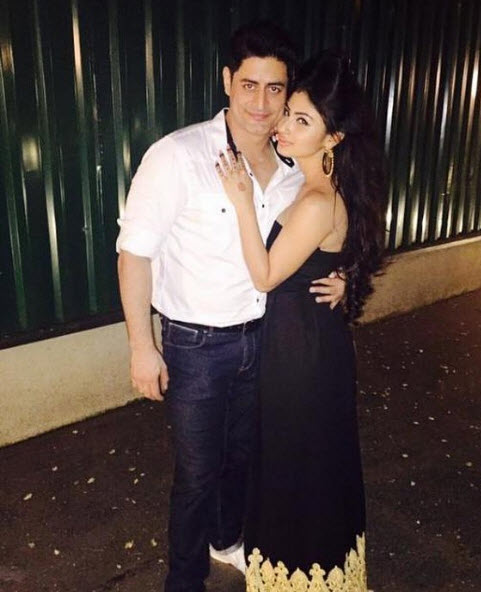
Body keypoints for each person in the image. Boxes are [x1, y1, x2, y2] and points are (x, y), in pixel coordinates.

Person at [116, 22, 345, 592]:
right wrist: (142, 346)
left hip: (265, 340)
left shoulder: (293, 164)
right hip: (197, 345)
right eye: (249, 85)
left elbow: (327, 229)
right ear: (226, 81)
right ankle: (184, 578)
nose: (262, 103)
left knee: (243, 459)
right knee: (197, 473)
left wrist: (342, 275)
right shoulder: (179, 155)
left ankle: (226, 540)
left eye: (275, 89)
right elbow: (134, 252)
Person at [216, 50, 387, 591]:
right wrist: (348, 277)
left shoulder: (315, 199)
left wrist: (243, 201)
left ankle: (301, 576)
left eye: (302, 120)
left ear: (332, 138)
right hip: (304, 342)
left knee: (298, 462)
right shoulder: (312, 187)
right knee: (304, 460)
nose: (284, 126)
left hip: (301, 354)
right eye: (288, 112)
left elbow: (266, 275)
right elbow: (353, 243)